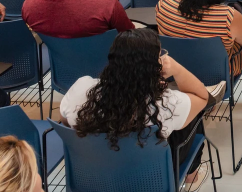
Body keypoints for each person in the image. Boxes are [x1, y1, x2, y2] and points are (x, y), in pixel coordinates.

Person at [60, 29, 212, 191]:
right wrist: (176, 69)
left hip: (91, 178)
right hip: (150, 182)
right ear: (153, 66)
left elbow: (65, 123)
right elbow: (203, 97)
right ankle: (191, 175)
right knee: (193, 113)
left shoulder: (81, 87)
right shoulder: (168, 103)